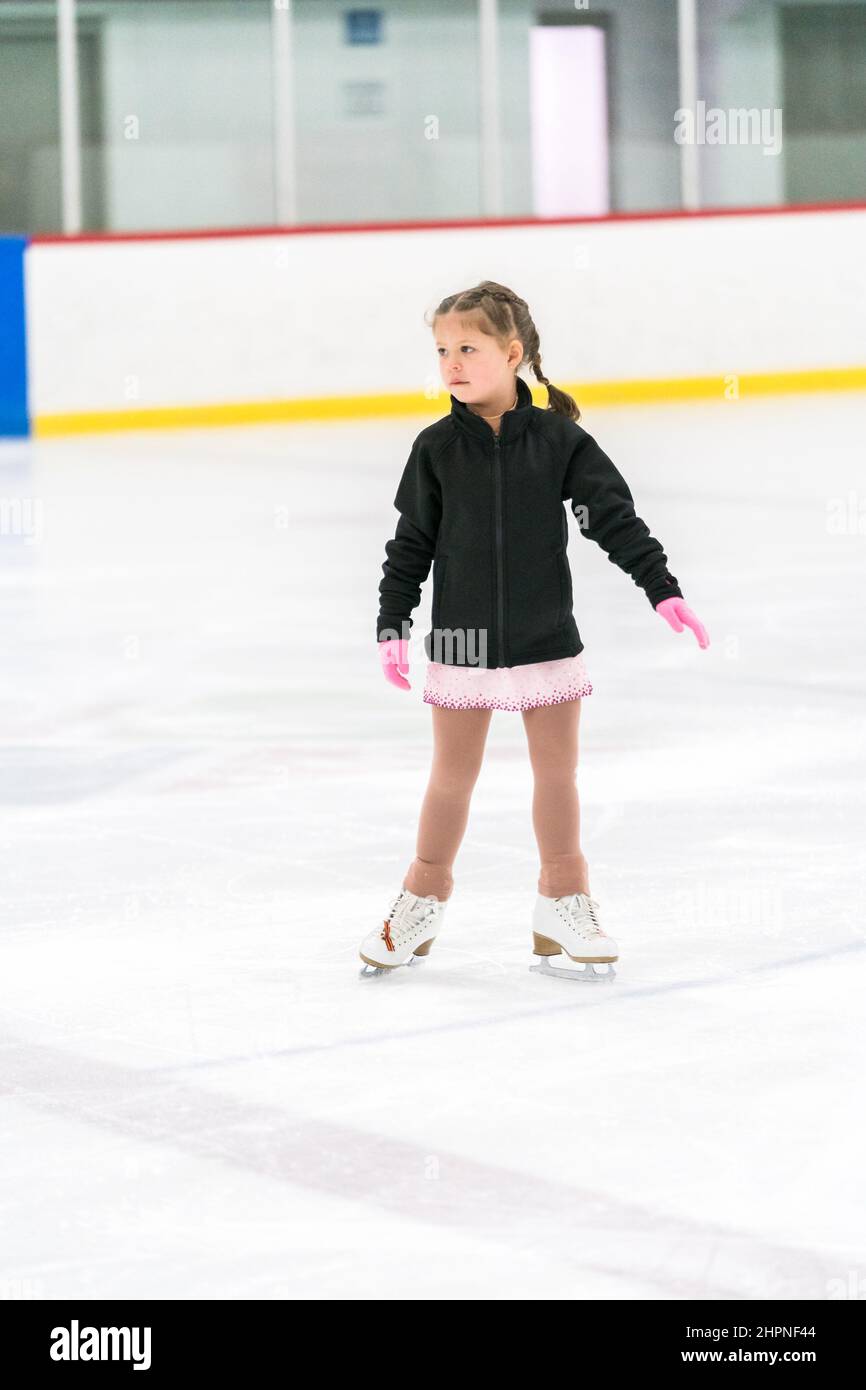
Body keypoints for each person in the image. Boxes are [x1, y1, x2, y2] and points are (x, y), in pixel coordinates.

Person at [359, 280, 709, 980]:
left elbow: (612, 520)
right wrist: (393, 622)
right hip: (462, 641)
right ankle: (422, 897)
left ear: (512, 352)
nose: (452, 363)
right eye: (441, 350)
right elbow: (410, 545)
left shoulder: (559, 441)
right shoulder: (435, 449)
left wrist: (661, 588)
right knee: (451, 780)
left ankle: (563, 896)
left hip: (546, 635)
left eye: (468, 347)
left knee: (557, 774)